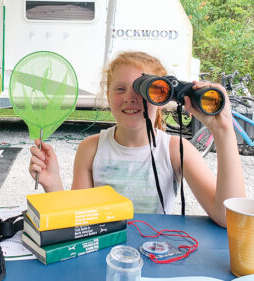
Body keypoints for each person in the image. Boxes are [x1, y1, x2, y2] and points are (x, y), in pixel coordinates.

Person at [29, 51, 245, 227]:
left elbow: (227, 217)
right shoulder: (91, 148)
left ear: (162, 99)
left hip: (154, 251)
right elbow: (78, 219)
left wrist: (223, 132)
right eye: (120, 89)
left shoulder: (174, 150)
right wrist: (54, 184)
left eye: (143, 90)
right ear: (107, 96)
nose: (130, 97)